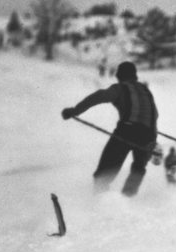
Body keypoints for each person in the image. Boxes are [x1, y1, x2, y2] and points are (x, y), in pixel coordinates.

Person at [61, 61, 158, 196]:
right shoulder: (146, 91)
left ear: (120, 76)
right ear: (135, 76)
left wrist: (75, 111)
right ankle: (128, 198)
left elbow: (99, 96)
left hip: (126, 132)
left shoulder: (120, 88)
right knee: (139, 167)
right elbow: (154, 115)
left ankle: (101, 203)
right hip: (148, 134)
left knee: (103, 175)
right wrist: (152, 143)